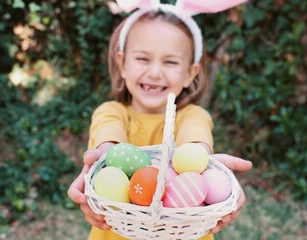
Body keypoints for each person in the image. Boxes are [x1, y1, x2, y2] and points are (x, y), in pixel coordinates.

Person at [67, 0, 252, 239]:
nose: (155, 72)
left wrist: (208, 170)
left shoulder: (192, 116)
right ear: (122, 63)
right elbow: (109, 153)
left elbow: (194, 149)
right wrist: (98, 172)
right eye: (143, 59)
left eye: (170, 62)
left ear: (190, 73)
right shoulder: (110, 112)